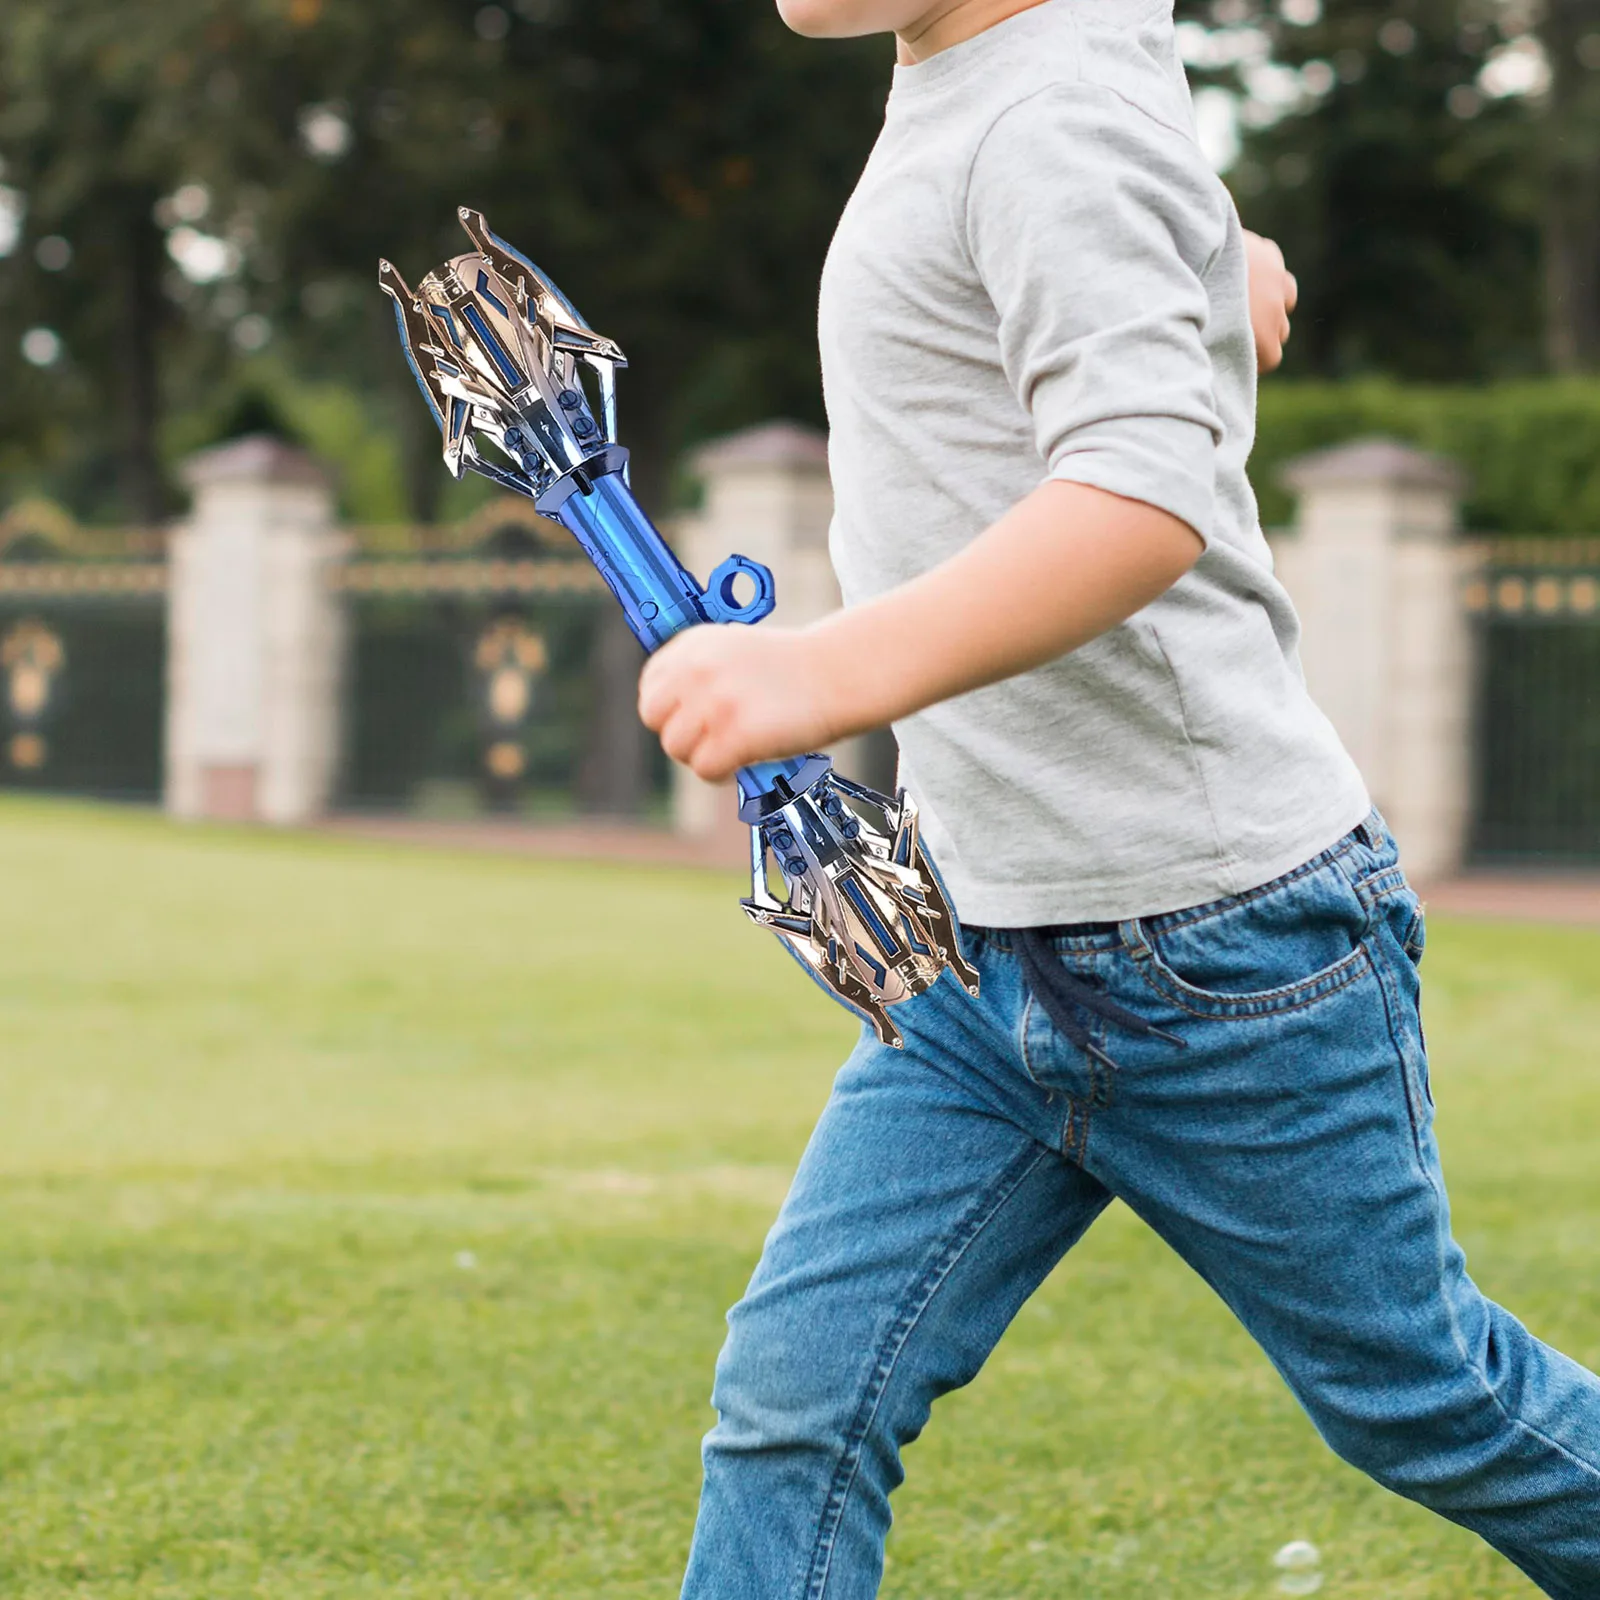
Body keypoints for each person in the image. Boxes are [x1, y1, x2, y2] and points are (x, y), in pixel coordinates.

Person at [638, 1, 1600, 1595]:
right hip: (979, 951)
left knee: (1430, 1405)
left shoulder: (1046, 115)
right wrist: (1211, 270)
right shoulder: (1004, 77)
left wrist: (820, 677)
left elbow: (1141, 493)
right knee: (795, 1410)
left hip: (1219, 953)